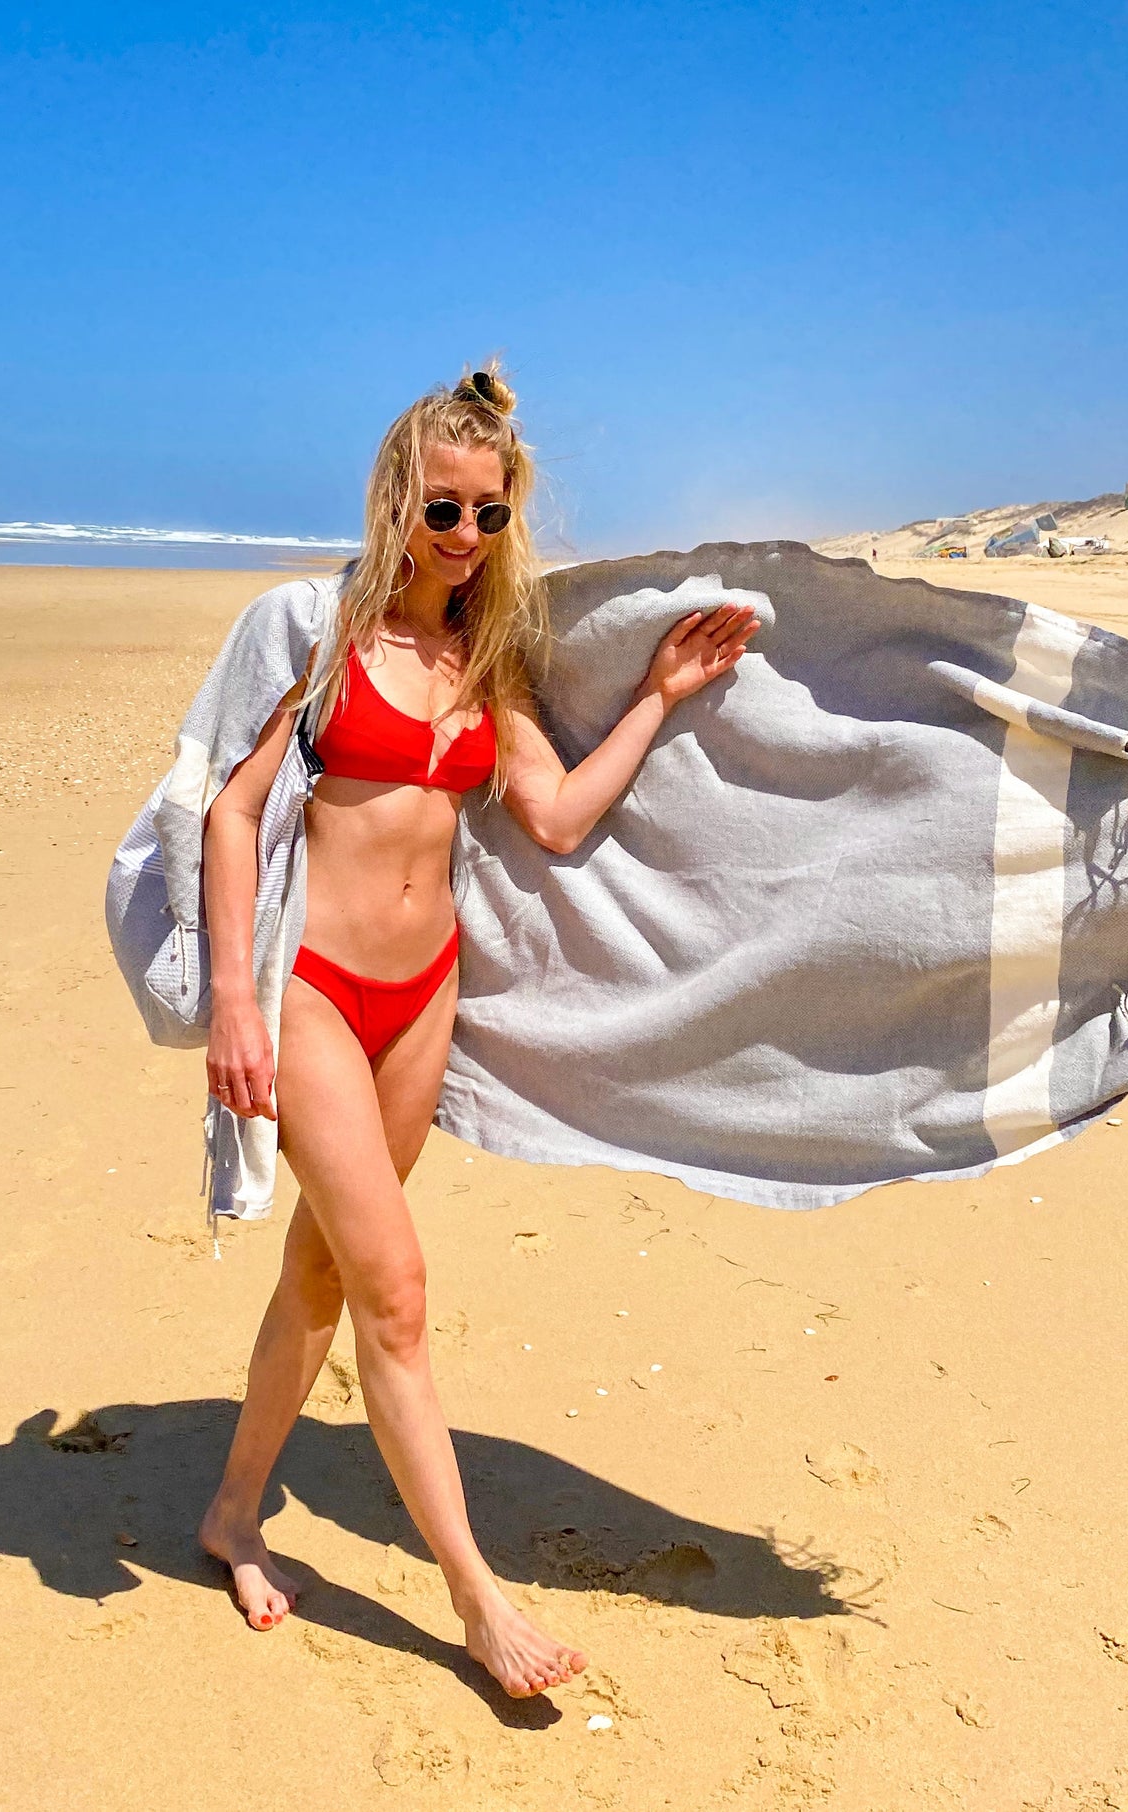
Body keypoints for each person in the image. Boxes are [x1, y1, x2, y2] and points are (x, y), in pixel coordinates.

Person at [194, 367, 757, 1697]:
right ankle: (476, 1599)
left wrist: (657, 700)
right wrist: (232, 999)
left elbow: (553, 817)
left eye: (487, 517)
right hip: (318, 992)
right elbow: (225, 812)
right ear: (399, 498)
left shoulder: (483, 657)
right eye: (442, 510)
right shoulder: (315, 635)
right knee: (395, 1292)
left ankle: (228, 1515)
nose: (462, 537)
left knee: (328, 1277)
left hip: (423, 993)